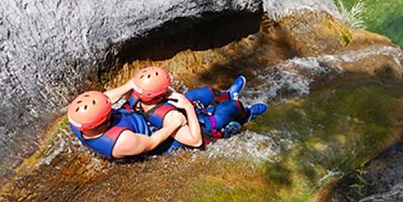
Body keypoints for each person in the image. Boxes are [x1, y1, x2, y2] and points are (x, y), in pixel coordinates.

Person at [67, 67, 266, 160]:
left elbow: (106, 98)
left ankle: (226, 94)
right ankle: (245, 113)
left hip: (149, 114)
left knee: (205, 93)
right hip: (168, 131)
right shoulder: (121, 141)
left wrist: (131, 85)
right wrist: (184, 111)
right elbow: (191, 141)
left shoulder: (80, 121)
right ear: (103, 120)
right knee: (228, 111)